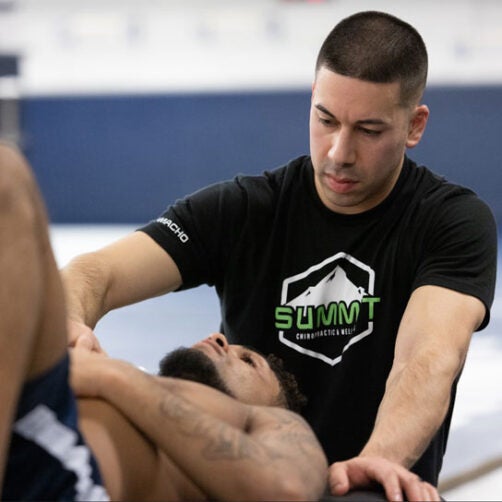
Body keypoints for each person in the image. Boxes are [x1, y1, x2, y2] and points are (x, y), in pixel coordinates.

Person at [61, 9, 498, 497]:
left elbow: (428, 357)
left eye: (369, 130)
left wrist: (373, 464)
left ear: (415, 125)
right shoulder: (244, 210)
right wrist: (68, 322)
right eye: (325, 119)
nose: (338, 152)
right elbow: (92, 274)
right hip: (242, 483)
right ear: (312, 99)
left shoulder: (449, 221)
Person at [0, 143, 438, 501]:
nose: (220, 340)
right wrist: (72, 326)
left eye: (249, 360)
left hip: (65, 477)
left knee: (9, 184)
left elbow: (284, 490)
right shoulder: (112, 375)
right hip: (40, 419)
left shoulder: (276, 425)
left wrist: (112, 379)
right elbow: (93, 274)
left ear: (271, 405)